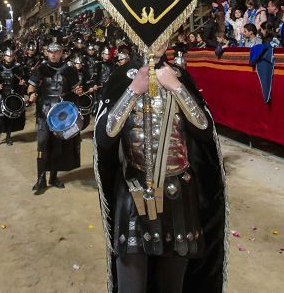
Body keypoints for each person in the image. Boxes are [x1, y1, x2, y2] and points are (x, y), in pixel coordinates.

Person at [94, 43, 227, 292]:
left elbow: (204, 131)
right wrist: (134, 90)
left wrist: (176, 86)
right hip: (133, 194)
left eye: (162, 37)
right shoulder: (120, 77)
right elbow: (104, 138)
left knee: (172, 287)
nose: (155, 43)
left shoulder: (181, 76)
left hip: (178, 194)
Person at [26, 41, 82, 194]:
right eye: (51, 52)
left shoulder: (70, 69)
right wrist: (32, 93)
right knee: (42, 145)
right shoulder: (41, 68)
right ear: (46, 53)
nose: (53, 54)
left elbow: (76, 88)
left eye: (56, 52)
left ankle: (53, 177)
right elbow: (31, 86)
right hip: (44, 111)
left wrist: (78, 91)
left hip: (62, 113)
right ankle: (40, 179)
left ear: (61, 53)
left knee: (58, 146)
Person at [0, 47, 26, 146]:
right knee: (0, 118)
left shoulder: (17, 68)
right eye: (7, 56)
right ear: (4, 57)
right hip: (1, 95)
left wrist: (22, 82)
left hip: (12, 95)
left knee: (10, 117)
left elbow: (23, 78)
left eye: (11, 56)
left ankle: (8, 137)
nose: (9, 58)